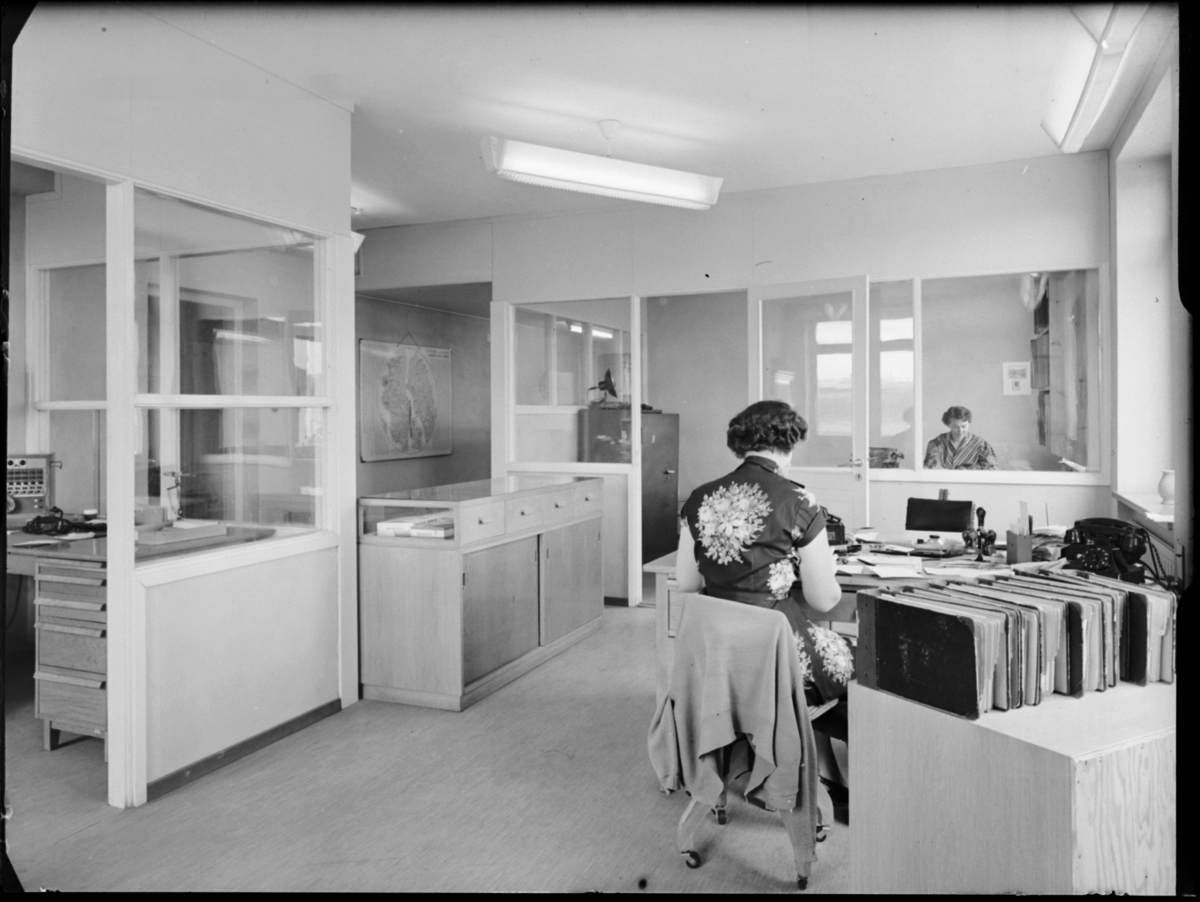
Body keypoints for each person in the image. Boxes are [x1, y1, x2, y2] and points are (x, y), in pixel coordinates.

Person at [674, 401, 854, 787]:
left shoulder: (699, 497)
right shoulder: (799, 500)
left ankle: (817, 767)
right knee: (856, 659)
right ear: (789, 445)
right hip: (776, 658)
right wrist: (825, 568)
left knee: (821, 655)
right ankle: (826, 772)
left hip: (718, 660)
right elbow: (824, 601)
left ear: (740, 445)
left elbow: (686, 583)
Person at [923, 405, 997, 470]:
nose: (960, 431)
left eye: (964, 426)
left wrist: (968, 469)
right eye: (955, 427)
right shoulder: (936, 443)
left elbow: (992, 469)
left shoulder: (981, 445)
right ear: (948, 425)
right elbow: (930, 468)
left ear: (969, 423)